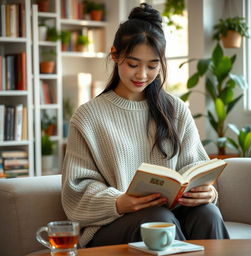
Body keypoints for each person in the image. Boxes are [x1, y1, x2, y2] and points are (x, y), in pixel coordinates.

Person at [61, 3, 230, 248]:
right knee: (158, 219)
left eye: (152, 66)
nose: (142, 74)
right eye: (133, 64)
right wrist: (119, 202)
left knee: (208, 214)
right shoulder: (88, 117)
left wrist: (208, 193)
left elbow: (195, 168)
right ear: (115, 55)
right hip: (111, 225)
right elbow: (75, 191)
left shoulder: (176, 109)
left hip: (168, 213)